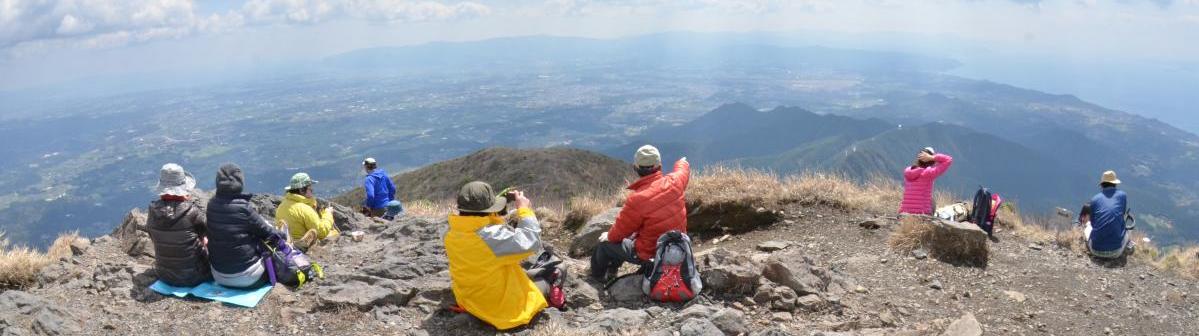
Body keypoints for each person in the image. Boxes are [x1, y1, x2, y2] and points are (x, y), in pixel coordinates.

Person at [444, 181, 547, 330]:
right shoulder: (491, 238)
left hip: (470, 300)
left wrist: (495, 208)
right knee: (552, 272)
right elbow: (531, 241)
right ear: (488, 210)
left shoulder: (451, 232)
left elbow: (478, 223)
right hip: (499, 309)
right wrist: (524, 210)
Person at [591, 145, 690, 282]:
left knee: (604, 245)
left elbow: (618, 234)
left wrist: (607, 235)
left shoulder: (637, 199)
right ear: (659, 166)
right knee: (631, 237)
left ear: (636, 168)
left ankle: (596, 278)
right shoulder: (675, 182)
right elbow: (682, 171)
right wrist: (682, 162)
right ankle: (612, 269)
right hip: (678, 248)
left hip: (650, 253)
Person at [206, 163, 286, 288]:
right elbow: (268, 233)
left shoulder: (211, 205)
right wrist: (283, 235)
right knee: (272, 250)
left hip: (218, 275)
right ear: (240, 183)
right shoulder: (244, 208)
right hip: (247, 278)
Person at [146, 163, 211, 287]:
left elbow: (153, 237)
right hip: (196, 276)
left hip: (164, 275)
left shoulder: (152, 210)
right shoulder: (192, 212)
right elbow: (205, 236)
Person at [277, 172, 340, 248]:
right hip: (303, 245)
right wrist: (328, 214)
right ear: (302, 191)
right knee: (334, 234)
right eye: (310, 189)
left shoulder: (282, 206)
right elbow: (321, 232)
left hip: (286, 243)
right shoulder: (304, 209)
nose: (312, 191)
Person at [1084, 170, 1135, 258]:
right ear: (1115, 183)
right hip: (1116, 252)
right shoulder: (1122, 195)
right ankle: (1128, 245)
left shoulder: (1095, 199)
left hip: (1095, 250)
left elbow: (1093, 223)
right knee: (1128, 230)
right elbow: (1122, 214)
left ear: (1102, 184)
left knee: (1088, 226)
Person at [899, 147, 954, 215]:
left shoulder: (908, 172)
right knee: (932, 201)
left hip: (904, 212)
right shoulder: (928, 173)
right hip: (922, 213)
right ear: (931, 162)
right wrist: (932, 157)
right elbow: (948, 160)